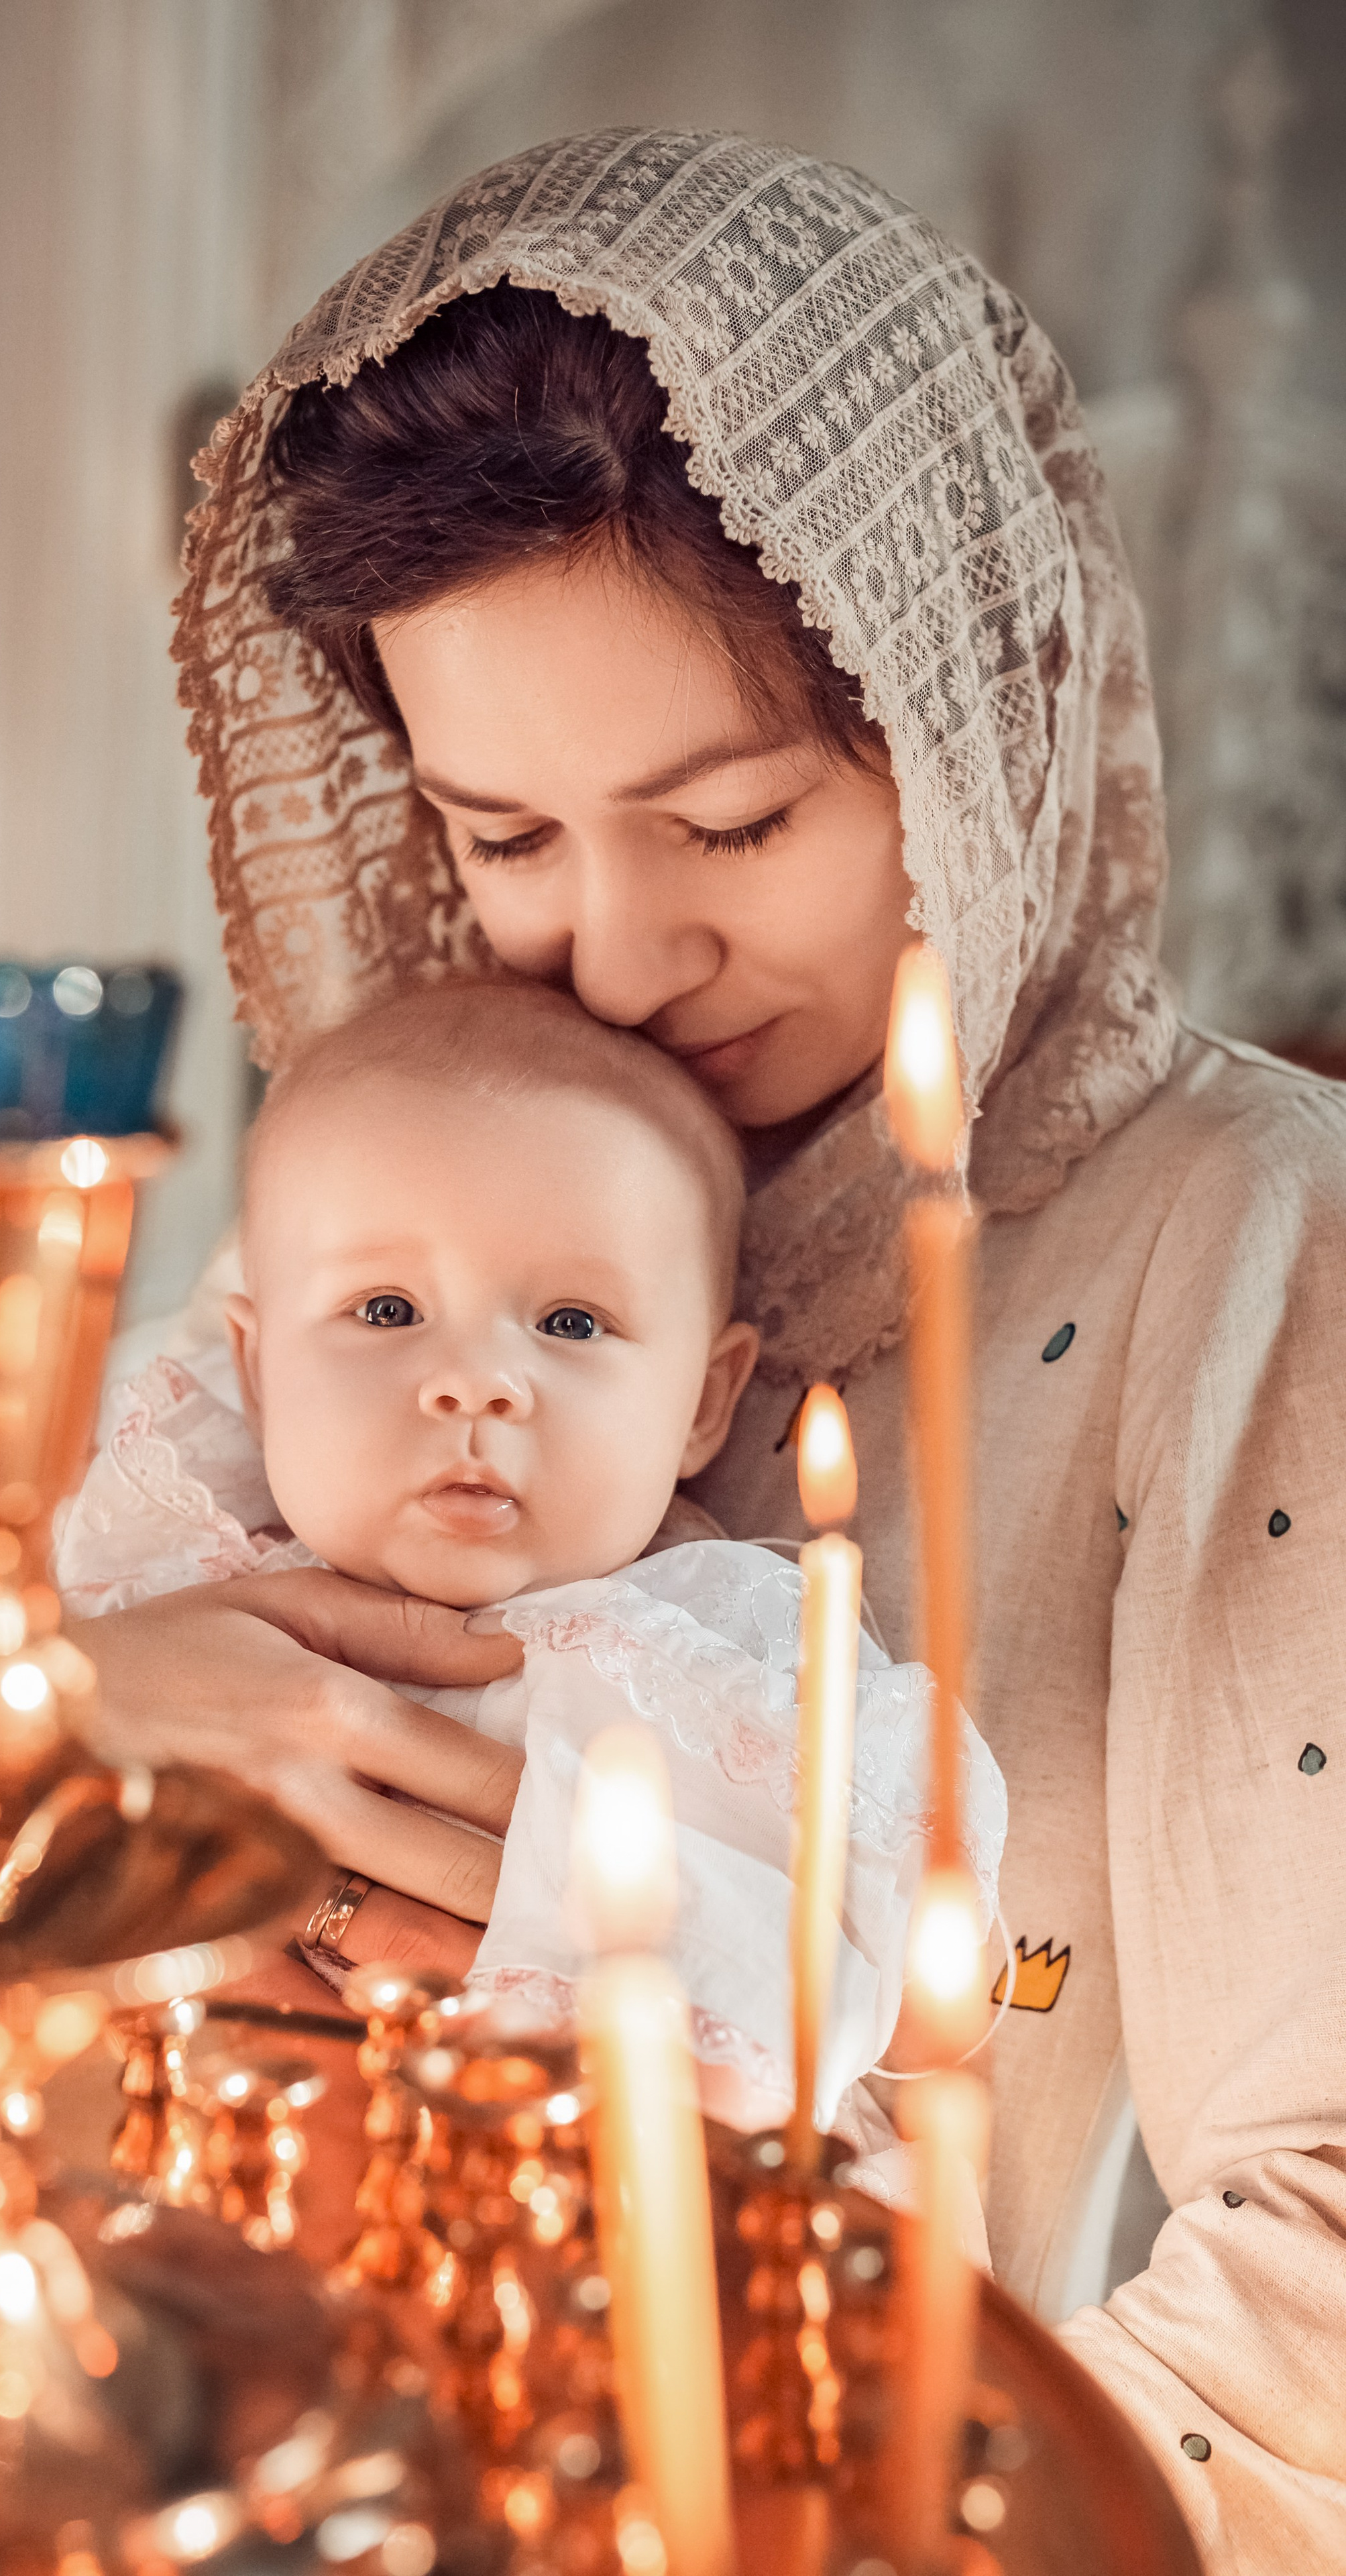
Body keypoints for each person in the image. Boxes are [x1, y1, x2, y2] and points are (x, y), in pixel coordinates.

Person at [82, 133, 1346, 2569]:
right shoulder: (354, 1268)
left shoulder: (1246, 1248)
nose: (614, 960)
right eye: (505, 837)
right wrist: (61, 1742)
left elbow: (1313, 2297)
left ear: (975, 724)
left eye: (732, 824)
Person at [56, 980, 1008, 2193]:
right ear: (255, 1363)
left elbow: (828, 1998)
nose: (476, 1382)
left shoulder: (720, 1681)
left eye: (570, 1320)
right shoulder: (151, 1577)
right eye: (387, 1309)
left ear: (705, 1402)